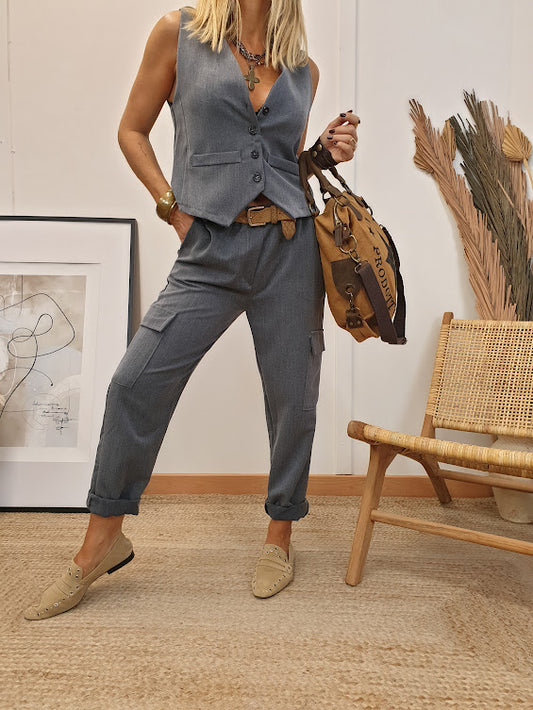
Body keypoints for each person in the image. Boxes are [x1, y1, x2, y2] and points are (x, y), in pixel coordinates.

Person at [24, 0, 358, 619]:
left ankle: (279, 535)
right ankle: (100, 541)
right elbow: (131, 130)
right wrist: (171, 208)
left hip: (291, 250)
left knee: (295, 398)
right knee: (135, 384)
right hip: (210, 247)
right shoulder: (177, 35)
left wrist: (323, 153)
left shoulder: (303, 68)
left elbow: (280, 162)